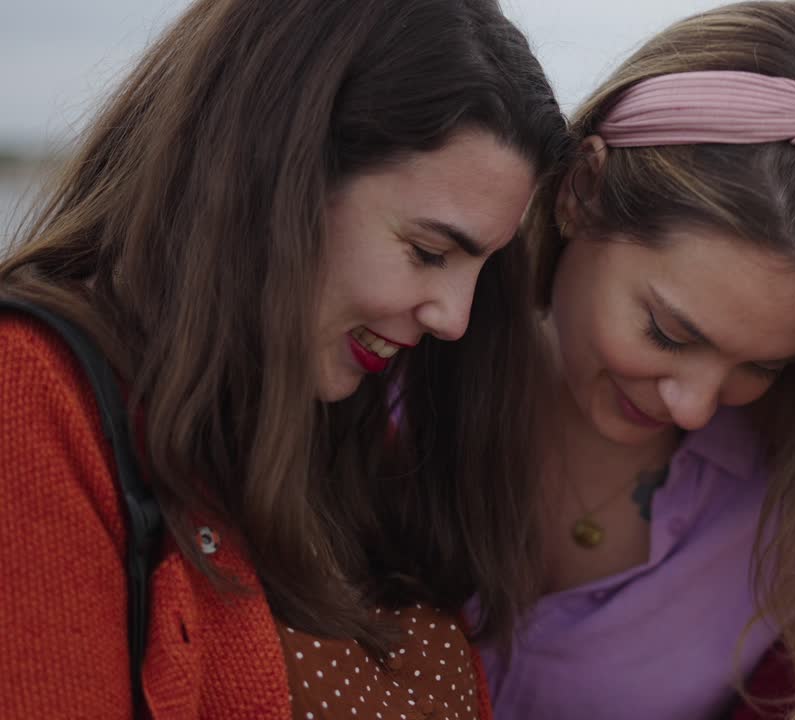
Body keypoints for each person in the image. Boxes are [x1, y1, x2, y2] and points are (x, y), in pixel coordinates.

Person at [0, 1, 567, 717]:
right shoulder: (34, 400)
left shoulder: (351, 435)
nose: (454, 318)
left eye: (480, 270)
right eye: (428, 252)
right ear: (276, 177)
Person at [478, 2, 795, 719]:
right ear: (581, 191)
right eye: (669, 333)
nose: (695, 406)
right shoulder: (387, 382)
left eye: (762, 367)